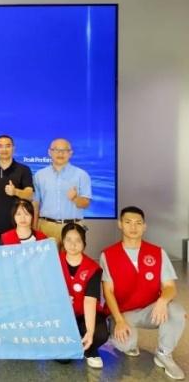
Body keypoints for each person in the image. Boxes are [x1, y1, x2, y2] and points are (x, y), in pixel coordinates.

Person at [101, 206, 186, 380]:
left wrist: (162, 301)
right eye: (128, 222)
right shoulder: (108, 255)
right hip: (123, 313)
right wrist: (119, 321)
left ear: (144, 226)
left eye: (138, 223)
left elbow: (170, 287)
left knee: (177, 312)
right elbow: (108, 292)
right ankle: (115, 332)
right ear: (120, 224)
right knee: (126, 344)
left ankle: (164, 354)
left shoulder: (157, 252)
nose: (133, 227)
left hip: (151, 311)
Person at [59, 223, 108, 369]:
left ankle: (89, 350)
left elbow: (90, 301)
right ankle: (73, 344)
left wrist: (90, 332)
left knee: (100, 334)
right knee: (63, 359)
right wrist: (61, 299)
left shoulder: (93, 268)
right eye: (68, 240)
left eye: (78, 240)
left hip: (84, 314)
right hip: (62, 315)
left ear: (84, 244)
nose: (73, 244)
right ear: (63, 241)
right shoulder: (54, 261)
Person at [34, 138, 92, 246]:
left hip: (73, 228)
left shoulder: (81, 175)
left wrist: (75, 198)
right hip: (46, 227)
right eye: (56, 150)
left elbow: (85, 204)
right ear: (49, 152)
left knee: (71, 257)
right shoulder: (39, 175)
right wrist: (34, 228)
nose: (60, 154)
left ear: (70, 153)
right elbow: (36, 205)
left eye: (64, 150)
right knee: (48, 257)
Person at [0, 135, 33, 246]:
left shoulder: (23, 170)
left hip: (17, 226)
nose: (4, 149)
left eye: (8, 146)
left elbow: (30, 194)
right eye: (0, 146)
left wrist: (15, 192)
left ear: (13, 148)